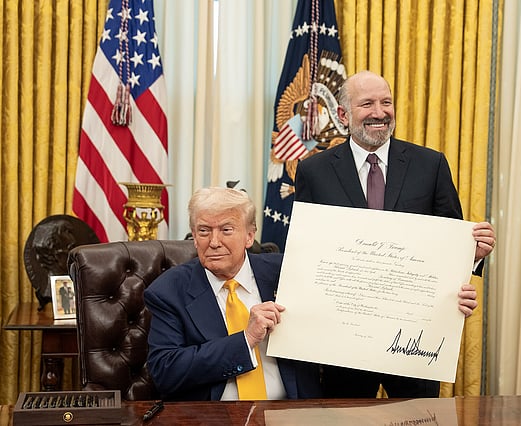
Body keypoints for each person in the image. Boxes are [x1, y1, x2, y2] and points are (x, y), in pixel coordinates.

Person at [294, 70, 496, 398]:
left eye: (386, 102)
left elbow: (451, 241)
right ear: (343, 114)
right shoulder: (313, 171)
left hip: (414, 339)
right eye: (367, 104)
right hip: (343, 342)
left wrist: (471, 256)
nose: (380, 112)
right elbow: (304, 251)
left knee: (420, 417)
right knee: (344, 419)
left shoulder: (430, 165)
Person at [144, 187, 322, 401]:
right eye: (204, 231)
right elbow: (165, 371)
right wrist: (246, 340)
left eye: (226, 230)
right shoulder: (169, 290)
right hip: (213, 413)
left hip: (293, 409)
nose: (214, 242)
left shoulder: (287, 274)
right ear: (194, 237)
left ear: (249, 236)